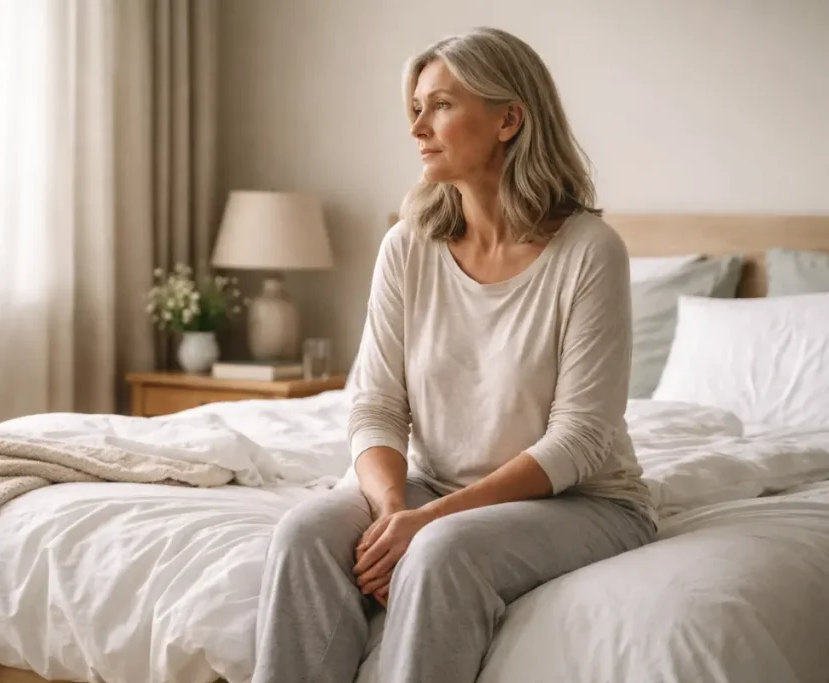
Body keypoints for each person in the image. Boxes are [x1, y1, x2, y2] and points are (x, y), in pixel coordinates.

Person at [252, 27, 657, 683]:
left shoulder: (589, 250)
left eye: (440, 105)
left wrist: (431, 519)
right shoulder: (408, 246)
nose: (418, 127)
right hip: (434, 485)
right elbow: (377, 403)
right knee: (303, 535)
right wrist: (392, 514)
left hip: (583, 501)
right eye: (415, 107)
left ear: (509, 119)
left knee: (440, 550)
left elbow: (580, 439)